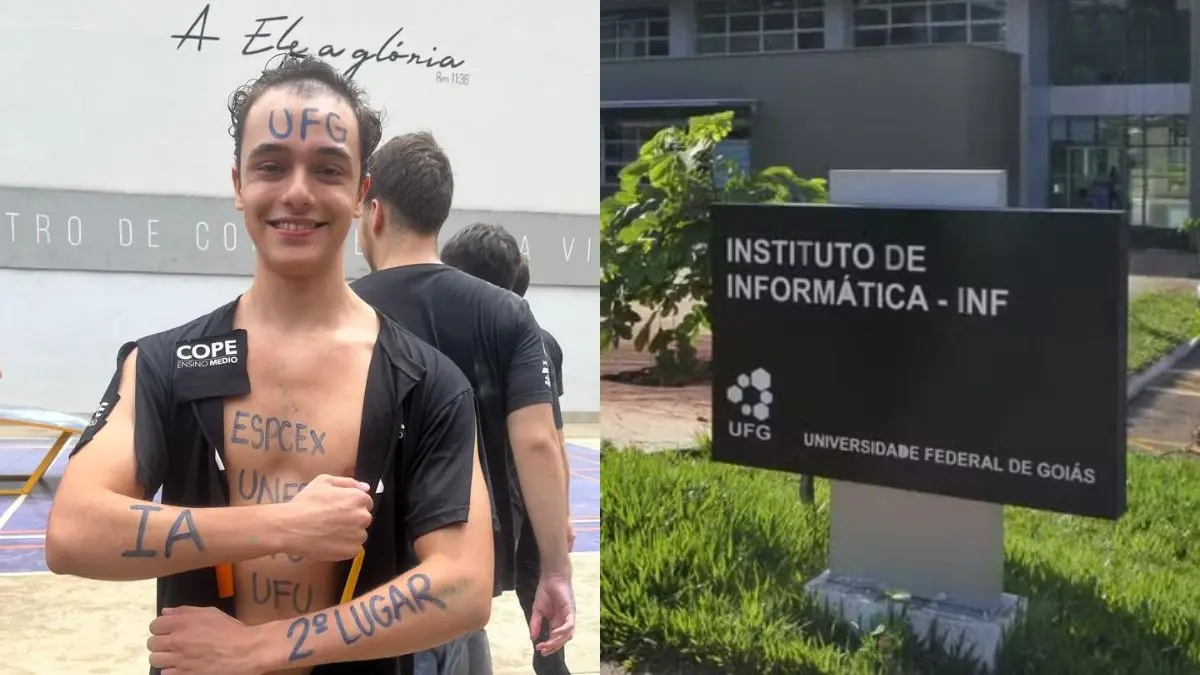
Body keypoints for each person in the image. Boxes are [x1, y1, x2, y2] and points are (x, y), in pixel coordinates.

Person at [44, 54, 494, 675]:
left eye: (328, 169)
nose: (298, 192)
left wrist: (257, 647)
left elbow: (465, 586)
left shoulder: (428, 383)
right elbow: (71, 532)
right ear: (238, 184)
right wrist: (283, 526)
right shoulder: (164, 364)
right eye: (272, 166)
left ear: (363, 195)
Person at [351, 133, 575, 675]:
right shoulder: (506, 313)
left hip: (366, 570)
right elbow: (539, 442)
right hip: (469, 566)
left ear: (374, 212)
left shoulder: (343, 308)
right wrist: (555, 570)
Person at [441, 240, 572, 675]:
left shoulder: (526, 340)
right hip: (523, 496)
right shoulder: (531, 335)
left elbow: (546, 437)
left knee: (477, 604)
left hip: (496, 497)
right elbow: (552, 438)